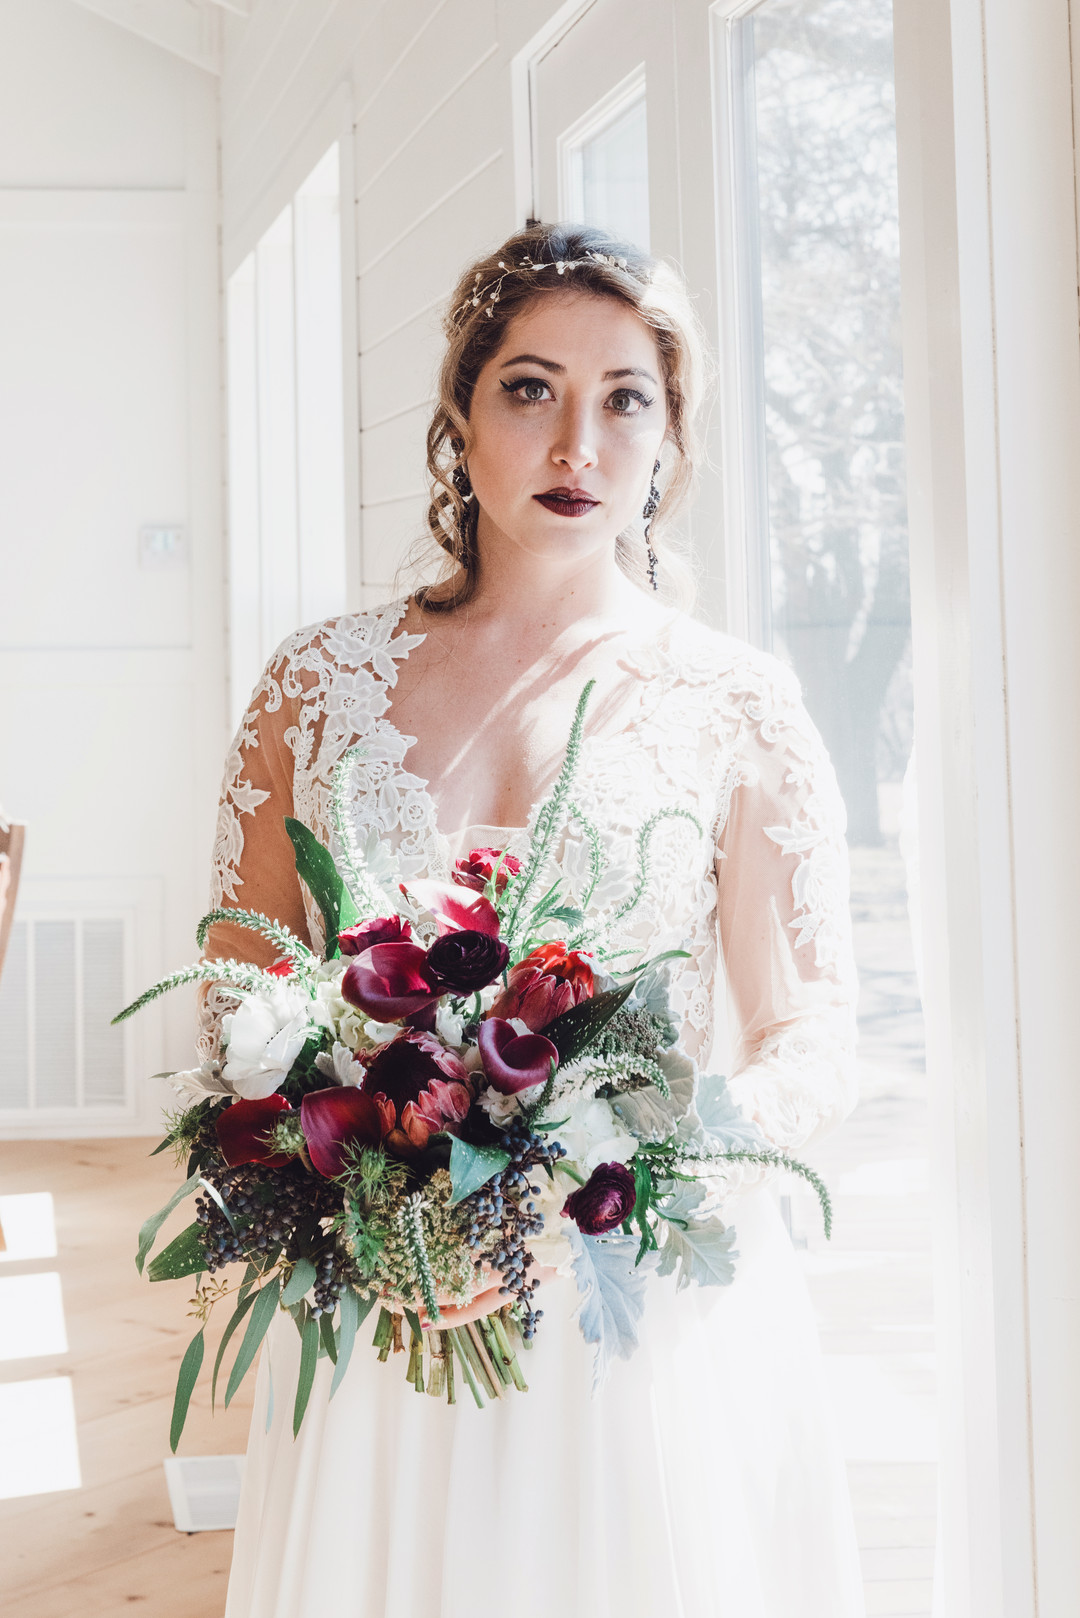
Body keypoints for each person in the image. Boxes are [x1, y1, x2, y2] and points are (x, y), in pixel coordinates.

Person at [205, 224, 864, 1618]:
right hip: (385, 1314)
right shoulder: (314, 683)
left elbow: (813, 1039)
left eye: (627, 395)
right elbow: (237, 982)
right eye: (530, 386)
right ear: (459, 411)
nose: (580, 437)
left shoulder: (737, 705)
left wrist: (607, 1167)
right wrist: (372, 1182)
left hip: (634, 1326)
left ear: (671, 433)